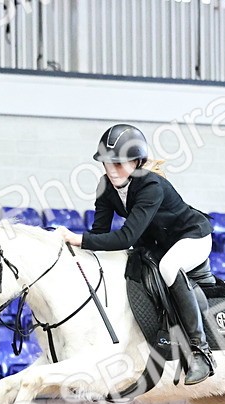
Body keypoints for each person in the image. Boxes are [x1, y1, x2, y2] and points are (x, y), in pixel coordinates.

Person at [56, 124, 215, 385]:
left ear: (137, 162)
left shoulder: (151, 185)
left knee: (169, 267)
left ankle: (200, 351)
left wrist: (78, 239)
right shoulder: (105, 186)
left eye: (120, 163)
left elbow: (126, 237)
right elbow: (100, 232)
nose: (113, 169)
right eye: (108, 163)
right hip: (156, 242)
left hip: (192, 237)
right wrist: (78, 249)